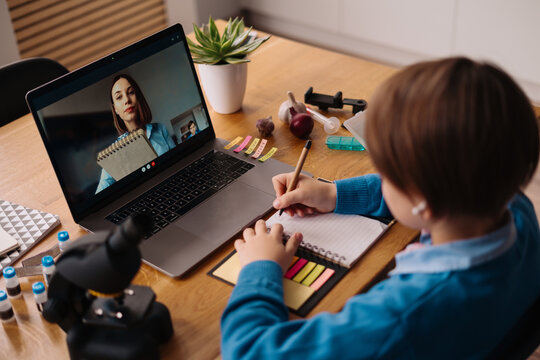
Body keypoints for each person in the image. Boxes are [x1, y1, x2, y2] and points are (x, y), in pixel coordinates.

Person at [220, 57, 540, 359]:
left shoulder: (399, 320)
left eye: (386, 174)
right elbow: (435, 189)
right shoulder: (511, 204)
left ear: (423, 203)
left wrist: (260, 269)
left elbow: (251, 351)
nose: (379, 178)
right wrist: (334, 194)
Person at [95, 74, 175, 193]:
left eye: (131, 92)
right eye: (119, 97)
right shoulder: (115, 153)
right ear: (115, 109)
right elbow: (99, 195)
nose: (127, 100)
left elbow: (178, 161)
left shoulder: (160, 129)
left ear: (138, 97)